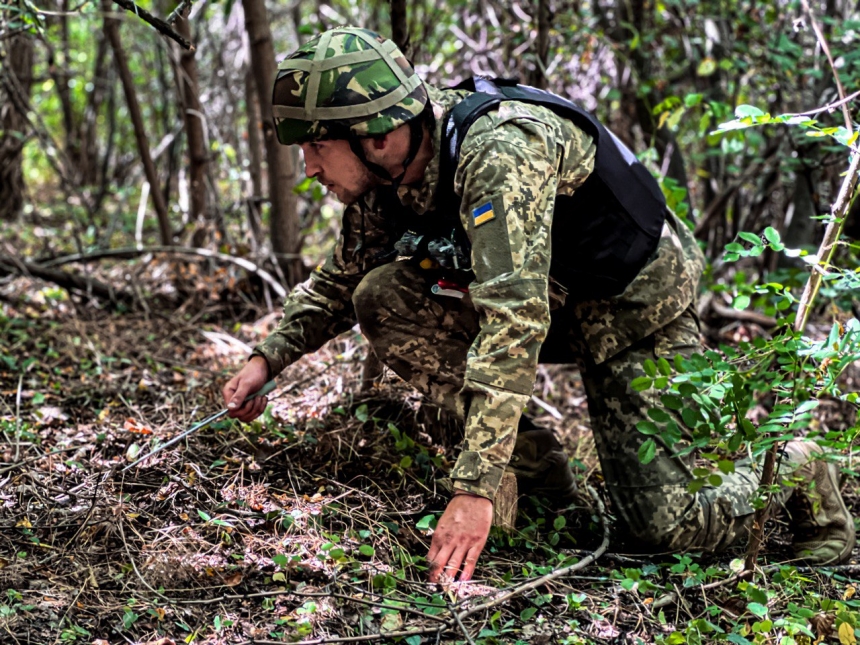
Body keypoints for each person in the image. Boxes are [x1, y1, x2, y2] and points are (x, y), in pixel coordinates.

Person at [223, 27, 855, 581]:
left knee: (670, 528)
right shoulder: (384, 176)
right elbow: (342, 278)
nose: (308, 166)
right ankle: (543, 483)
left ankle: (802, 466)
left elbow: (513, 319)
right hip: (553, 299)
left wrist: (472, 490)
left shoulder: (499, 152)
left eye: (315, 146)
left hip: (632, 308)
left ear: (379, 135)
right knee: (381, 294)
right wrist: (266, 360)